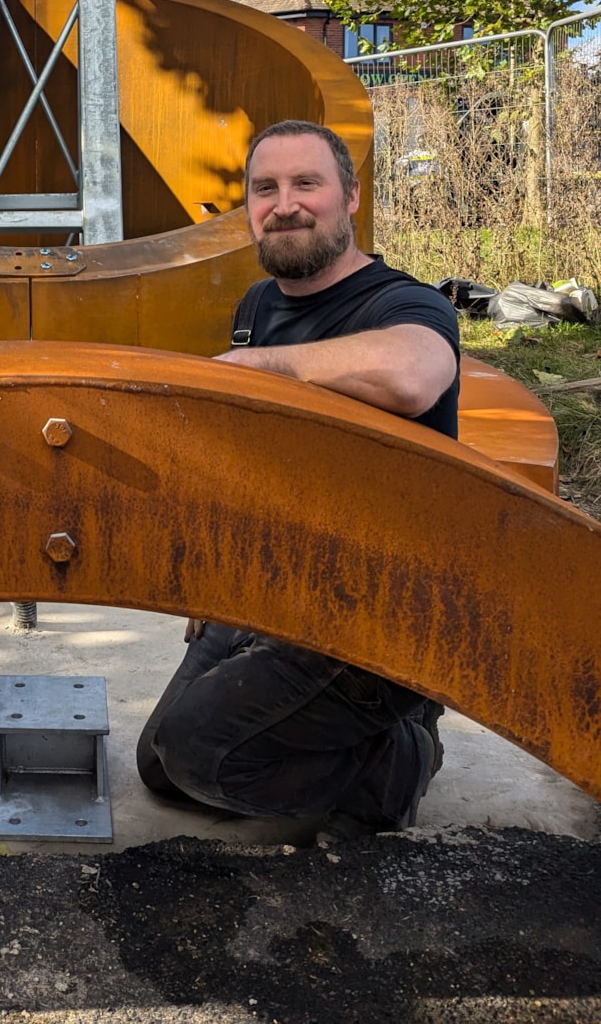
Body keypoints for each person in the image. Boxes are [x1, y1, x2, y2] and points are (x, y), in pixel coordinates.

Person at [137, 119, 460, 845]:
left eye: (306, 184)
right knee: (160, 764)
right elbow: (254, 463)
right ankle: (349, 718)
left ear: (349, 197)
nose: (285, 204)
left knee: (202, 755)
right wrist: (218, 574)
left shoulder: (402, 305)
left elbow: (414, 375)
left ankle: (405, 748)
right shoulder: (257, 308)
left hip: (383, 608)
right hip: (287, 587)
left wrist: (261, 369)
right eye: (265, 189)